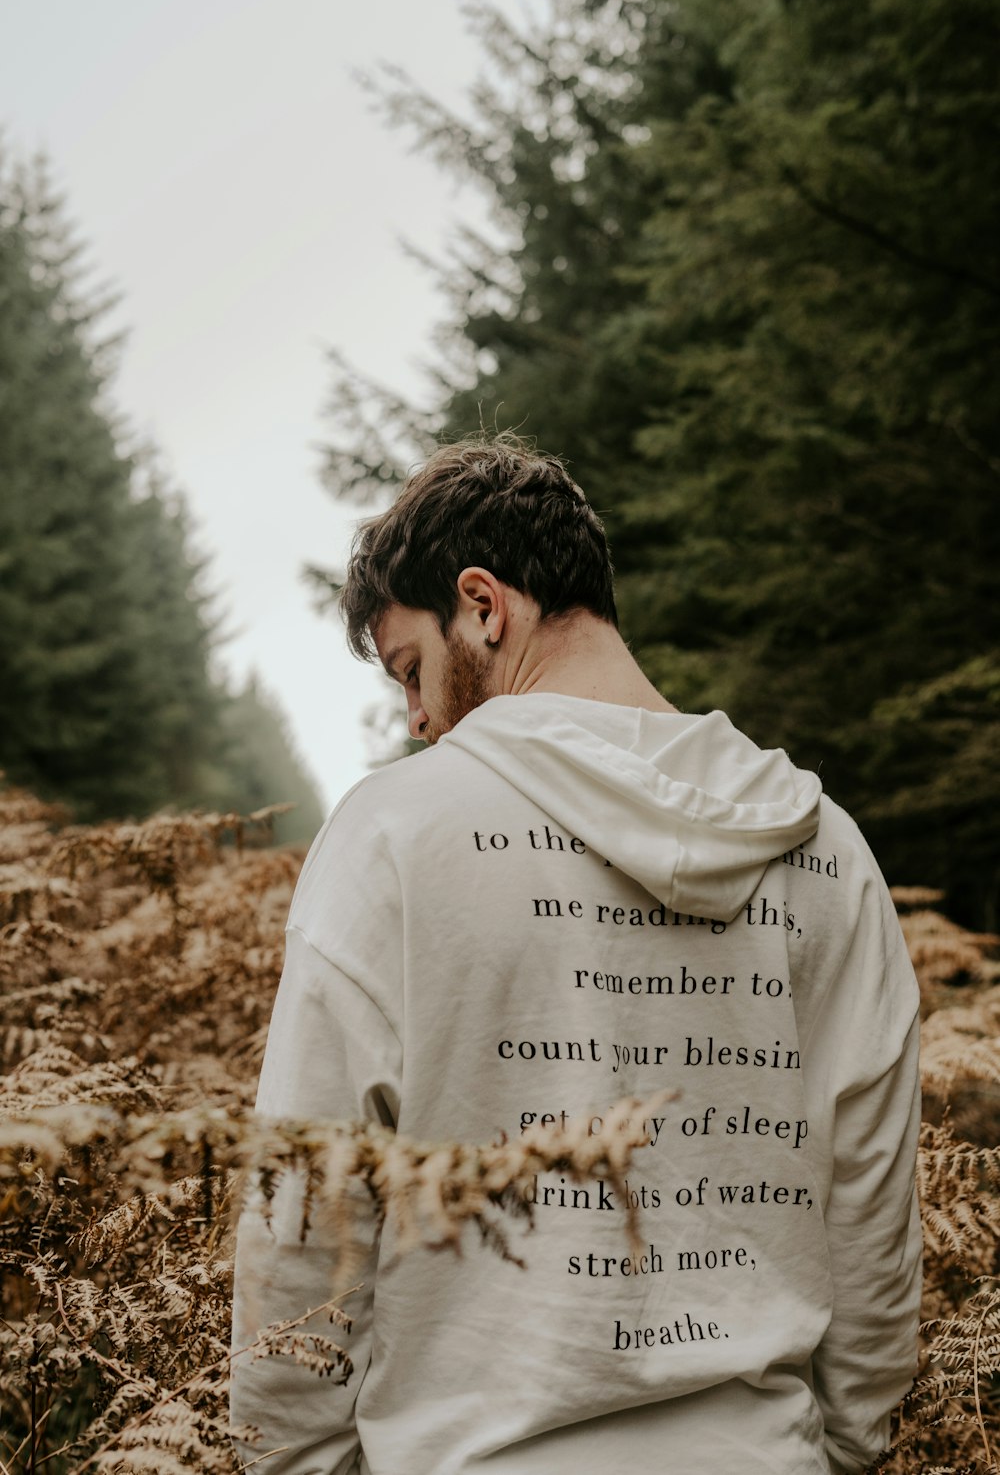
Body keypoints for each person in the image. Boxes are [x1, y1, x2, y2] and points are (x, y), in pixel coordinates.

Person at [230, 434, 922, 1475]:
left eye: (410, 670)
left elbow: (309, 1206)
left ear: (482, 604)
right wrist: (850, 1449)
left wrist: (293, 1461)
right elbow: (870, 1200)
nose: (416, 720)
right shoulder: (825, 848)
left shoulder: (392, 839)